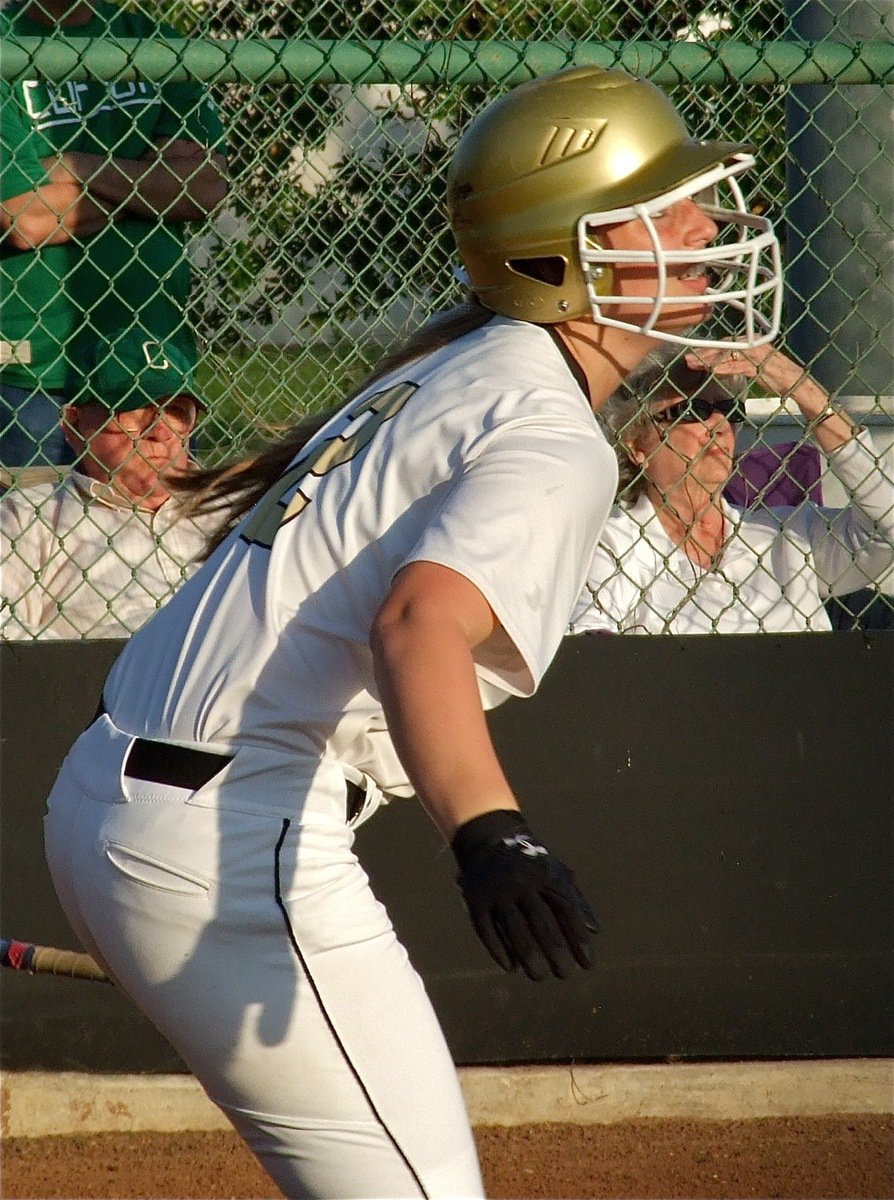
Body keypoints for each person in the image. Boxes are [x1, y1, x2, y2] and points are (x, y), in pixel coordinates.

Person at [41, 66, 783, 1199]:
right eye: (664, 208)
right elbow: (418, 625)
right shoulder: (550, 428)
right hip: (226, 840)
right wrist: (493, 837)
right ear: (574, 252)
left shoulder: (463, 360)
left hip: (121, 799)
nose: (705, 226)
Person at [0, 0, 228, 468]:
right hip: (33, 374)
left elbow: (203, 186)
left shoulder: (159, 46)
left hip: (150, 366)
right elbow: (25, 219)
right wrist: (151, 183)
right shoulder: (6, 45)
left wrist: (76, 165)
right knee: (28, 535)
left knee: (159, 535)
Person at [570, 347, 894, 635]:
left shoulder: (786, 535)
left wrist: (803, 390)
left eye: (730, 409)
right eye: (694, 410)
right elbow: (592, 649)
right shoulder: (612, 545)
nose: (720, 424)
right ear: (636, 443)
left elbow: (887, 528)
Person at [1, 326, 214, 639]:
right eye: (136, 410)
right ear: (74, 425)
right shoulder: (29, 517)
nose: (160, 431)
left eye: (176, 411)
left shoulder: (236, 508)